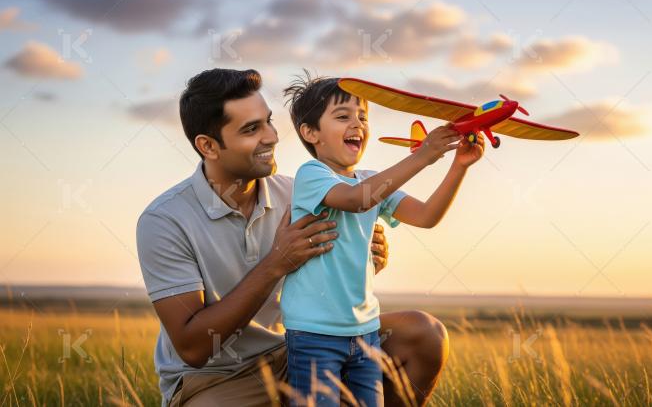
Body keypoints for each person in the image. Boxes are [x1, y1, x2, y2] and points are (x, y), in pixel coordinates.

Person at [136, 68, 450, 406]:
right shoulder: (165, 220)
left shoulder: (301, 192)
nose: (271, 137)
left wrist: (366, 255)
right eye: (251, 129)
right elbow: (194, 347)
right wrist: (276, 263)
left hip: (299, 349)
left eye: (268, 122)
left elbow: (357, 222)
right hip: (218, 379)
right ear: (208, 146)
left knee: (423, 334)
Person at [280, 72, 485, 406]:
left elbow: (427, 216)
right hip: (314, 333)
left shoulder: (372, 180)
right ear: (310, 132)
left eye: (363, 117)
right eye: (343, 116)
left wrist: (458, 166)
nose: (357, 124)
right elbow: (355, 200)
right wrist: (423, 155)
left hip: (365, 331)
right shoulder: (313, 174)